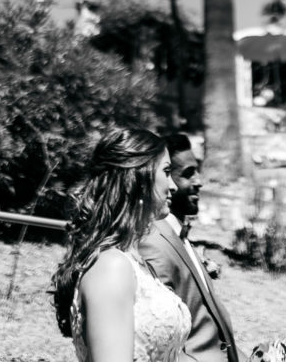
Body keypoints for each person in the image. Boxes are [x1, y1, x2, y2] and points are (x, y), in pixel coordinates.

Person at [52, 125, 191, 362]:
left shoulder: (134, 261)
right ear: (138, 178)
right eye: (166, 172)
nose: (173, 186)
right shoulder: (112, 266)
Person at [139, 134, 242, 362]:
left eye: (197, 171)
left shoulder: (179, 235)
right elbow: (164, 335)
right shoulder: (152, 242)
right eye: (186, 174)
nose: (199, 181)